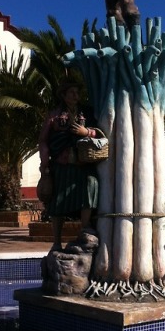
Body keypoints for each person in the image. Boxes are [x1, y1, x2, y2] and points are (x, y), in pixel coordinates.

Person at [38, 80, 99, 251]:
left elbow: (99, 131)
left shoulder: (86, 112)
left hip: (82, 163)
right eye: (71, 92)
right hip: (61, 164)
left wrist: (85, 132)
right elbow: (43, 140)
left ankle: (85, 230)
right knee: (57, 202)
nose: (75, 95)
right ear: (63, 95)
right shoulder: (54, 115)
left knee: (91, 184)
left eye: (76, 92)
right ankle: (56, 241)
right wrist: (44, 164)